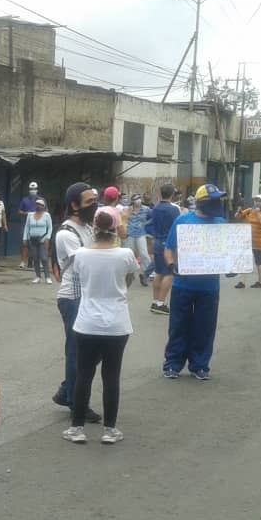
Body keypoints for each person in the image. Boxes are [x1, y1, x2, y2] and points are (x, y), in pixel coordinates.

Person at [62, 207, 139, 445]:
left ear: (94, 228)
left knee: (84, 374)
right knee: (111, 377)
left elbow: (81, 278)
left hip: (87, 322)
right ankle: (110, 429)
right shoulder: (126, 254)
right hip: (117, 323)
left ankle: (76, 428)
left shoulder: (81, 254)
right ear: (116, 228)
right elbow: (129, 278)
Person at [162, 184, 227, 380]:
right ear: (201, 202)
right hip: (183, 285)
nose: (218, 203)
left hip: (210, 287)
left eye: (219, 199)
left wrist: (233, 266)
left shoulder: (221, 223)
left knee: (205, 327)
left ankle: (199, 365)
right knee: (178, 326)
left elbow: (228, 252)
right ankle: (173, 364)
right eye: (214, 200)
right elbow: (168, 248)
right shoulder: (183, 221)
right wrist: (172, 265)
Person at [51, 182, 101, 423]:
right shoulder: (65, 233)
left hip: (89, 296)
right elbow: (87, 262)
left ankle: (66, 391)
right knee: (78, 353)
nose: (95, 205)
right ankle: (77, 403)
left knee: (92, 351)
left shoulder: (89, 228)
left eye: (95, 200)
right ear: (74, 205)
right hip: (73, 298)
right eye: (90, 202)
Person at [148, 184, 181, 314]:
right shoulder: (174, 209)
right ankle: (161, 303)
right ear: (172, 194)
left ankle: (155, 301)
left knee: (158, 273)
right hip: (169, 243)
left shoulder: (155, 207)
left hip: (157, 241)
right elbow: (178, 225)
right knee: (169, 274)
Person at [233, 195, 261, 289]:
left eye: (260, 201)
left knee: (258, 262)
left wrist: (258, 214)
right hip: (247, 241)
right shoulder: (249, 210)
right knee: (245, 261)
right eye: (256, 201)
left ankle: (260, 282)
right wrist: (239, 211)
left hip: (258, 242)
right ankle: (242, 282)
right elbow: (238, 216)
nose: (257, 202)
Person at [22, 198, 53, 283]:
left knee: (43, 258)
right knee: (35, 258)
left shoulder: (47, 215)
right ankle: (38, 276)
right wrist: (25, 238)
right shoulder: (30, 215)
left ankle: (47, 277)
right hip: (32, 239)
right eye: (37, 204)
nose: (38, 206)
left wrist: (48, 238)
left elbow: (50, 227)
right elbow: (27, 227)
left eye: (40, 205)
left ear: (43, 206)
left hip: (42, 239)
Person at [124, 193, 152, 285]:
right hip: (130, 234)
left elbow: (153, 217)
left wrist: (145, 224)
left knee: (144, 253)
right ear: (132, 201)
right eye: (135, 198)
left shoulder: (146, 209)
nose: (138, 200)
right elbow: (123, 218)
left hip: (141, 233)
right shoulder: (127, 209)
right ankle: (129, 273)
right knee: (129, 254)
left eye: (139, 198)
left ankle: (147, 273)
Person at [18, 182, 41, 268]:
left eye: (34, 189)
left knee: (38, 244)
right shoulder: (24, 200)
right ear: (29, 190)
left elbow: (46, 210)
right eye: (31, 189)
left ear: (37, 189)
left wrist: (38, 213)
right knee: (24, 244)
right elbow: (19, 211)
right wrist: (26, 213)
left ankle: (38, 262)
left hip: (38, 225)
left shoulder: (41, 200)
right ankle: (23, 262)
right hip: (25, 224)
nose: (33, 191)